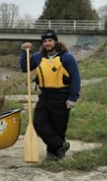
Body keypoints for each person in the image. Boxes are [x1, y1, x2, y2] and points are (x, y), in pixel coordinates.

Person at [20, 29, 81, 161]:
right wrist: (24, 52)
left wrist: (73, 98)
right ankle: (60, 145)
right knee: (38, 123)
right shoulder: (38, 56)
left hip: (62, 96)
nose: (47, 43)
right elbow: (25, 67)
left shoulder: (67, 57)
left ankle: (53, 154)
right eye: (45, 41)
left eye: (50, 40)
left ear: (55, 42)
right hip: (45, 96)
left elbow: (76, 78)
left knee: (58, 127)